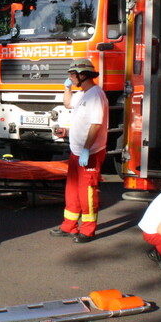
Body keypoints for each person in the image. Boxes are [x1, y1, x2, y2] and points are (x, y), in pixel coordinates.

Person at [50, 58, 109, 243]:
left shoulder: (96, 95)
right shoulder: (83, 94)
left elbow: (95, 124)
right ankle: (69, 226)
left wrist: (86, 149)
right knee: (73, 190)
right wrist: (67, 87)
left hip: (90, 153)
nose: (70, 77)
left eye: (72, 75)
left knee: (87, 192)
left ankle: (88, 230)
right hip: (77, 151)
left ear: (82, 75)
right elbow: (67, 104)